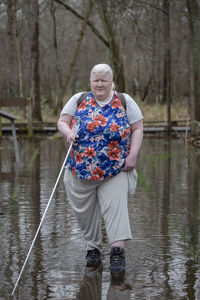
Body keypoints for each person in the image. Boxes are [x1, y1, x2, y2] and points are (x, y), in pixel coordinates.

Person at [57, 63, 143, 273]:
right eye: (96, 80)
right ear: (90, 81)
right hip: (80, 170)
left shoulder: (124, 100)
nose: (100, 84)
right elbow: (62, 121)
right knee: (85, 214)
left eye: (104, 79)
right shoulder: (79, 99)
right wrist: (67, 132)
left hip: (116, 169)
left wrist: (132, 156)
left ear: (112, 81)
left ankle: (117, 253)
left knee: (116, 210)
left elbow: (138, 127)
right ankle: (93, 248)